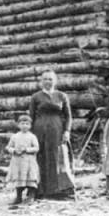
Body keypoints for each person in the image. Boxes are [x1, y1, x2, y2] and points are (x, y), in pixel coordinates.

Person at [29, 70, 75, 200]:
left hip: (57, 130)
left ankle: (56, 190)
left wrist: (67, 131)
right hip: (40, 130)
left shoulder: (62, 96)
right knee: (41, 157)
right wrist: (30, 135)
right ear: (41, 81)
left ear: (55, 81)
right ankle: (40, 190)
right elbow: (31, 117)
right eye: (45, 79)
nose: (48, 81)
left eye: (50, 79)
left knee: (57, 158)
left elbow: (68, 116)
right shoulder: (36, 97)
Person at [5, 113, 40, 206]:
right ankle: (18, 197)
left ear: (30, 125)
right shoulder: (15, 136)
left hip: (29, 161)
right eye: (22, 123)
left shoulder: (32, 137)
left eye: (27, 124)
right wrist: (14, 150)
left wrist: (27, 150)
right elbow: (8, 147)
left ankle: (31, 196)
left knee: (30, 178)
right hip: (18, 162)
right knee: (19, 178)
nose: (25, 126)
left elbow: (36, 148)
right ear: (18, 125)